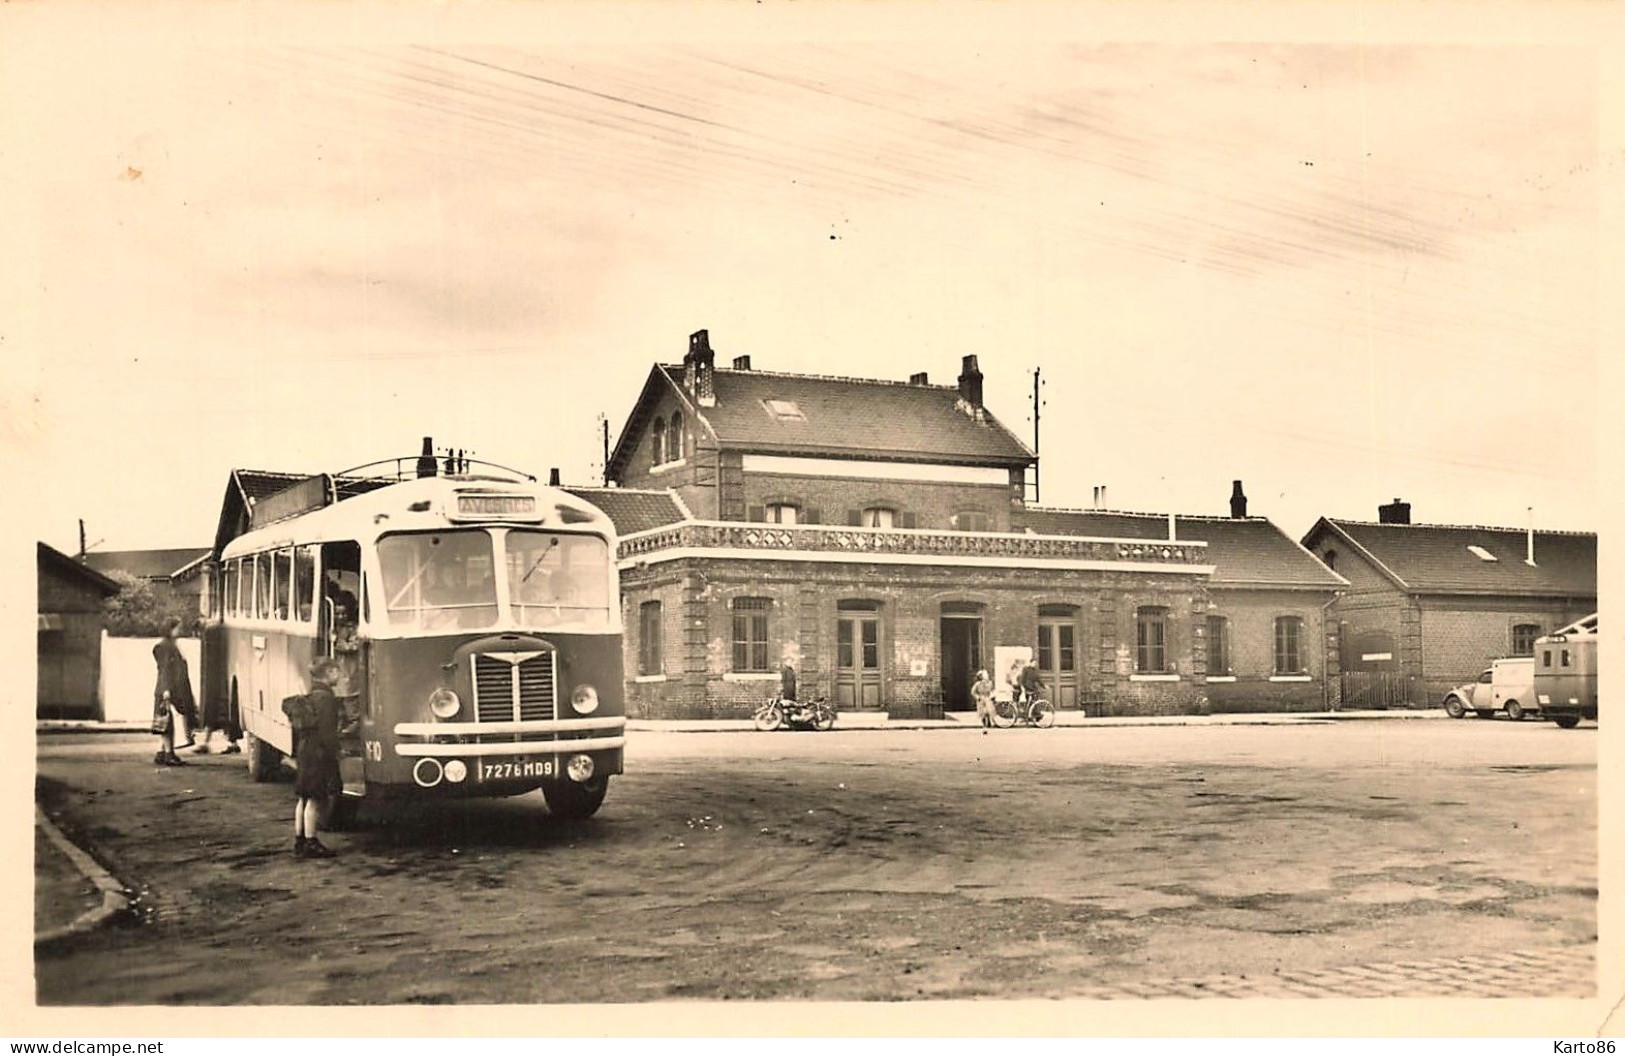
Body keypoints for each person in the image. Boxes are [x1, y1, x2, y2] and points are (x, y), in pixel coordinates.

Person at [285, 657, 345, 859]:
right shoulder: (327, 699)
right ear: (328, 673)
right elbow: (328, 733)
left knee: (303, 797)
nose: (340, 676)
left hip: (305, 750)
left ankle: (300, 839)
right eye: (337, 672)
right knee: (315, 799)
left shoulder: (311, 695)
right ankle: (312, 841)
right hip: (319, 753)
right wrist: (336, 751)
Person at [150, 617, 197, 766]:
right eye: (177, 627)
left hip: (172, 689)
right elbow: (165, 669)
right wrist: (166, 690)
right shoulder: (166, 647)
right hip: (169, 689)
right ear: (170, 629)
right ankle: (168, 754)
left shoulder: (171, 646)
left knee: (166, 721)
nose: (180, 630)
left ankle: (162, 752)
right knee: (167, 723)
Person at [192, 621, 242, 755]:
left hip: (215, 684)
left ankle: (206, 743)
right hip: (224, 681)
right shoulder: (220, 632)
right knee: (226, 712)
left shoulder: (210, 633)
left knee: (212, 713)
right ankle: (231, 742)